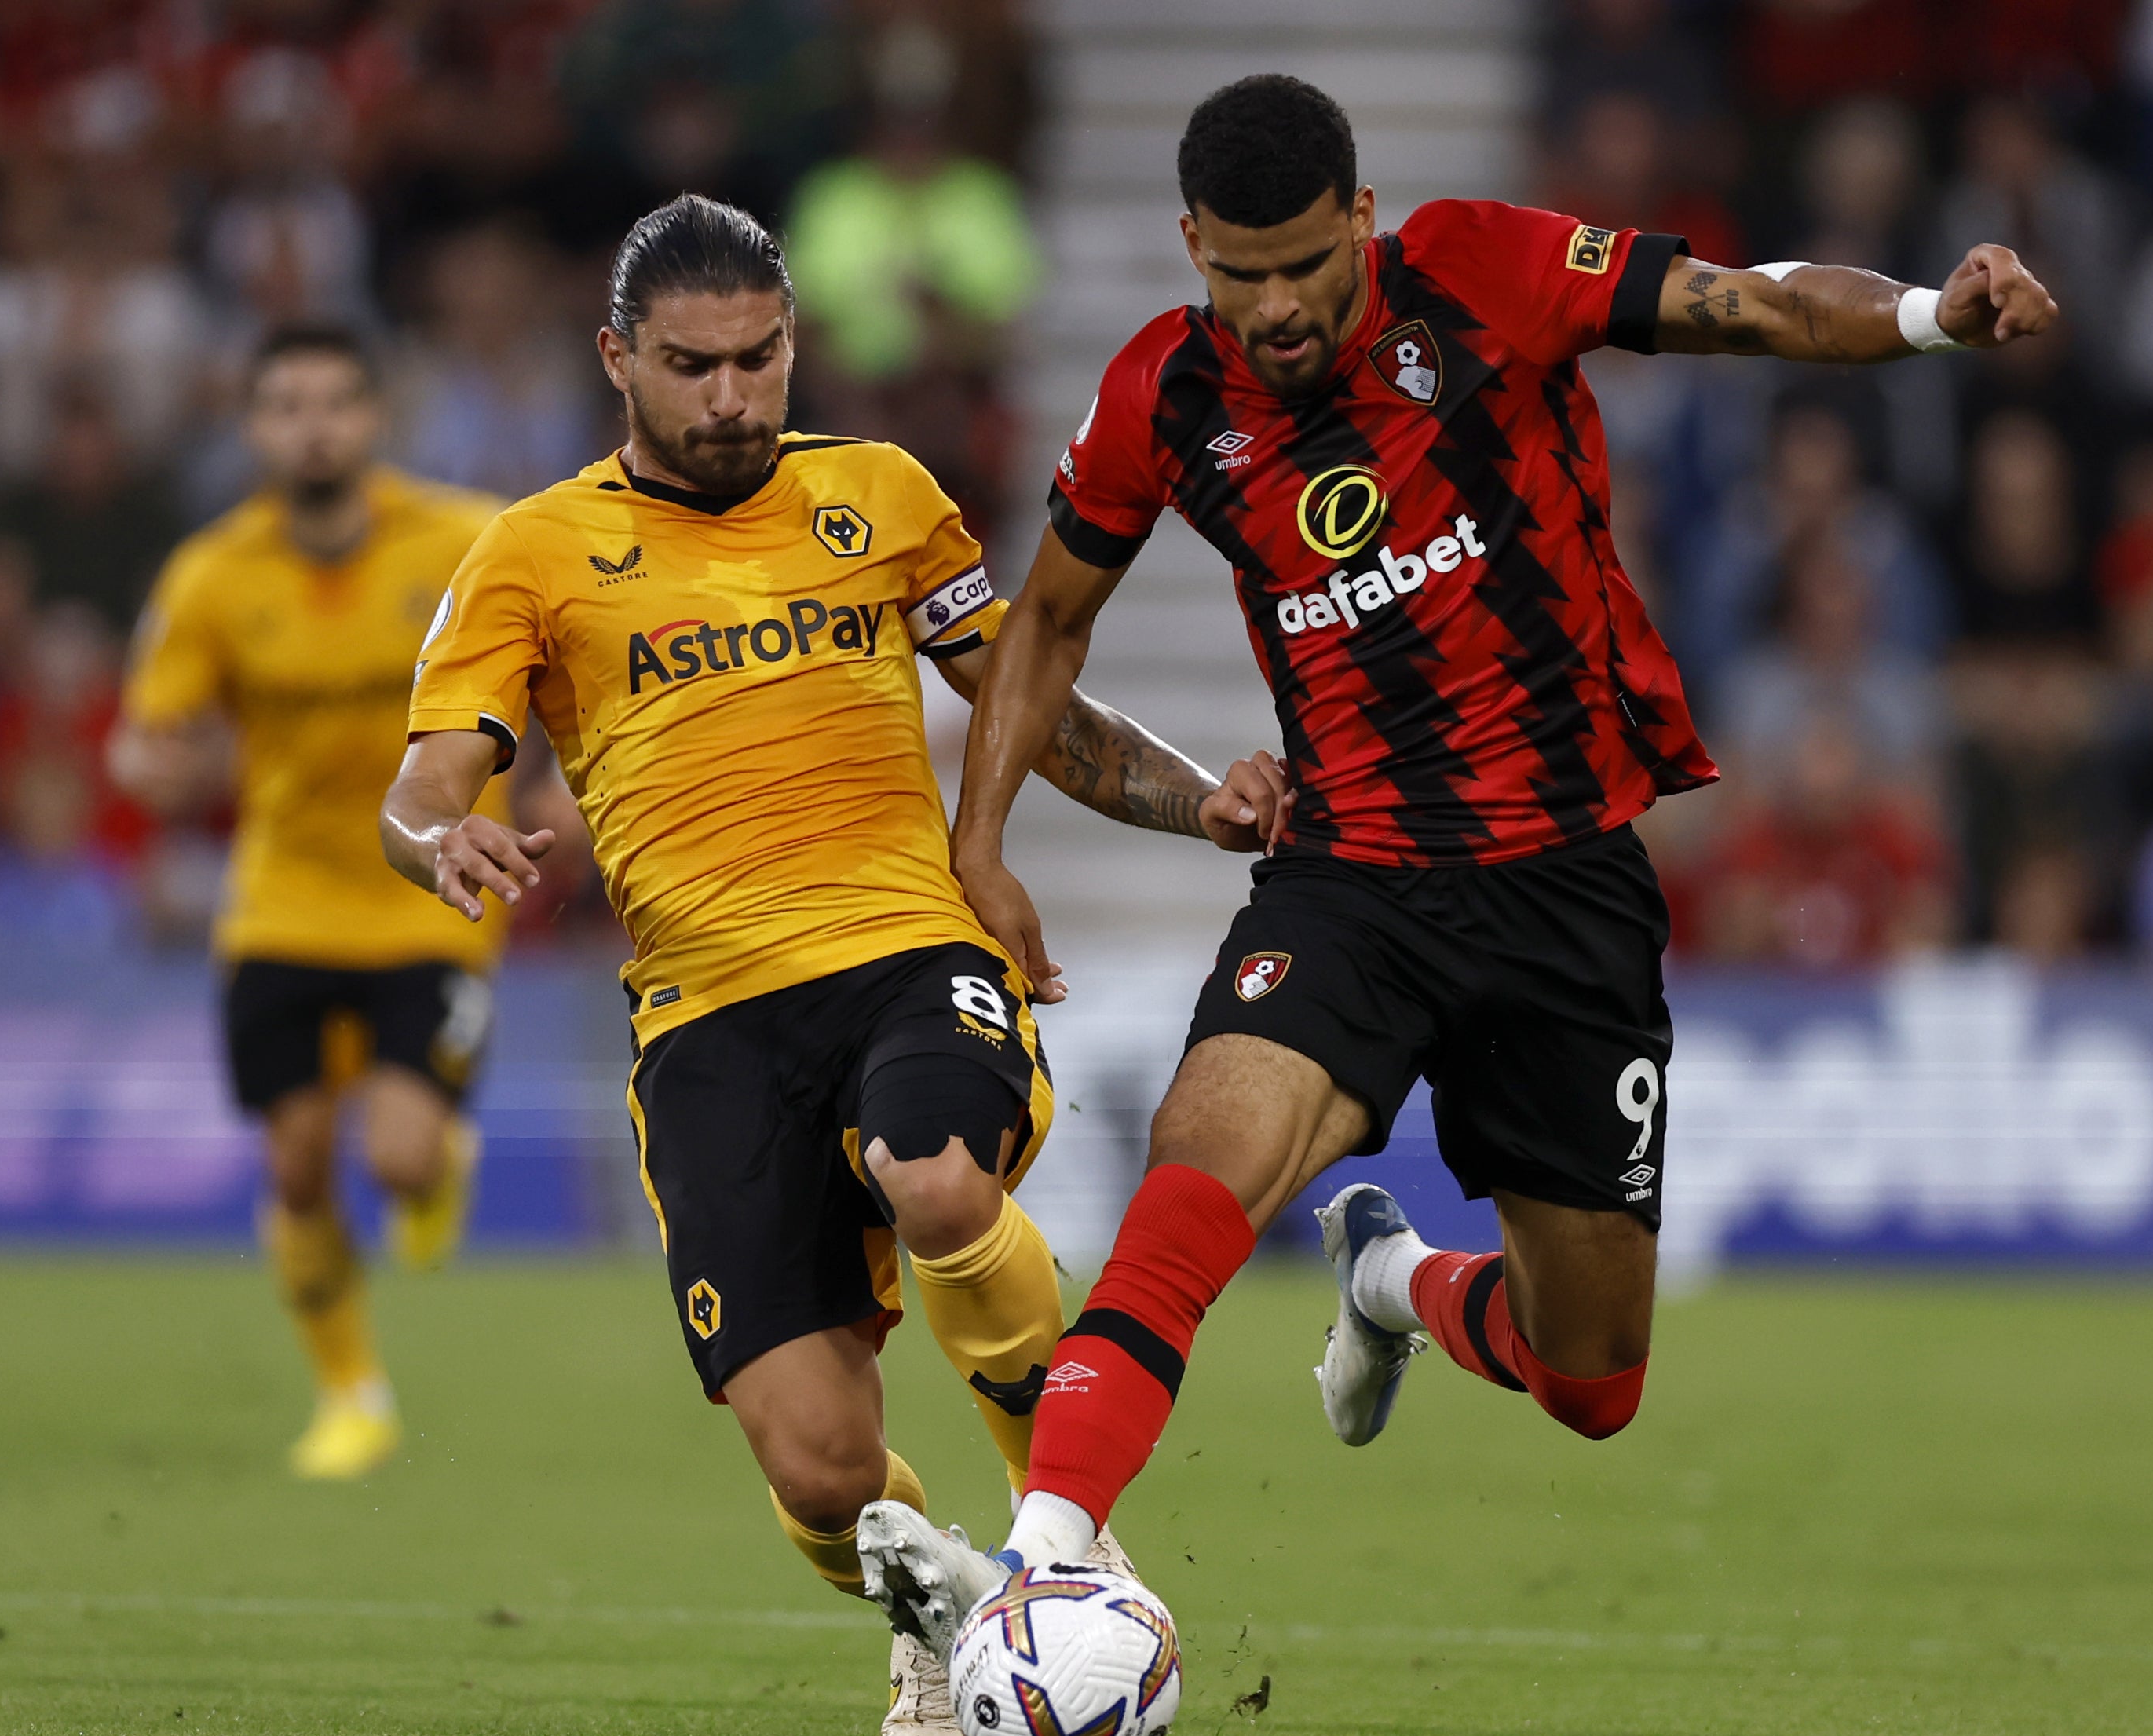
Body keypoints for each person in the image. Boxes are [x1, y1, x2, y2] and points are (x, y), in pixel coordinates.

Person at [857, 72, 2057, 1647]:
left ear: (1362, 220)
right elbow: (1049, 623)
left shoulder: (1485, 273)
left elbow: (1743, 306)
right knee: (1195, 1181)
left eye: (1306, 265)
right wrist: (985, 842)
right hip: (1348, 872)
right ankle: (1042, 1568)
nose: (1277, 307)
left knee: (1592, 1382)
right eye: (1240, 273)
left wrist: (1923, 322)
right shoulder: (1163, 395)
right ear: (1188, 247)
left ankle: (1395, 1287)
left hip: (1564, 880)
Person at [379, 196, 1264, 1736]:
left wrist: (1197, 804)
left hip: (902, 948)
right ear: (616, 360)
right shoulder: (532, 550)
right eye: (691, 366)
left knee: (934, 1180)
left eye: (759, 358)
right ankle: (943, 1622)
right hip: (706, 1021)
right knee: (818, 1472)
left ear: (792, 345)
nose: (730, 397)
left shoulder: (880, 497)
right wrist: (438, 837)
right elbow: (425, 780)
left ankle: (1063, 1524)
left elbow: (1033, 705)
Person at [110, 323, 515, 1483]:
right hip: (280, 903)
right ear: (255, 426)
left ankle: (436, 1163)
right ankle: (351, 1392)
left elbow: (548, 670)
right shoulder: (212, 575)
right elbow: (151, 739)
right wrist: (155, 769)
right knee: (294, 1165)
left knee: (395, 1156)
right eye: (287, 404)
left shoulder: (457, 540)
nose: (314, 425)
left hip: (424, 891)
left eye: (335, 402)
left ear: (374, 417)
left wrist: (541, 789)